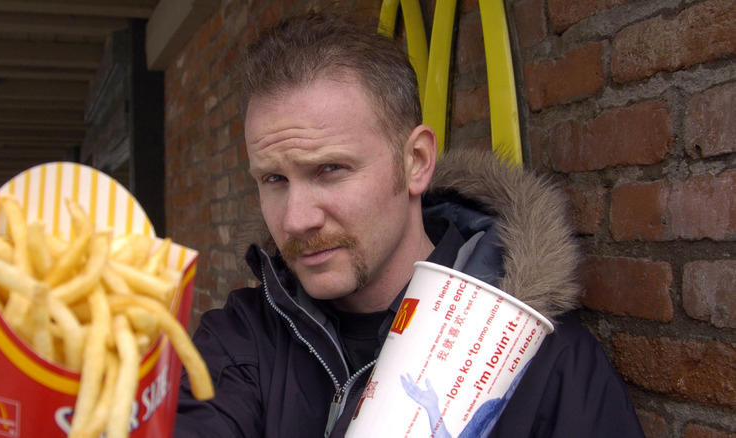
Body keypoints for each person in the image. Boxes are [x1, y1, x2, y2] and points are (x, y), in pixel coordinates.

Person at [174, 11, 645, 438]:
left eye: (330, 170)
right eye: (274, 178)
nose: (296, 219)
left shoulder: (547, 364)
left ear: (416, 162)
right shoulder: (239, 341)